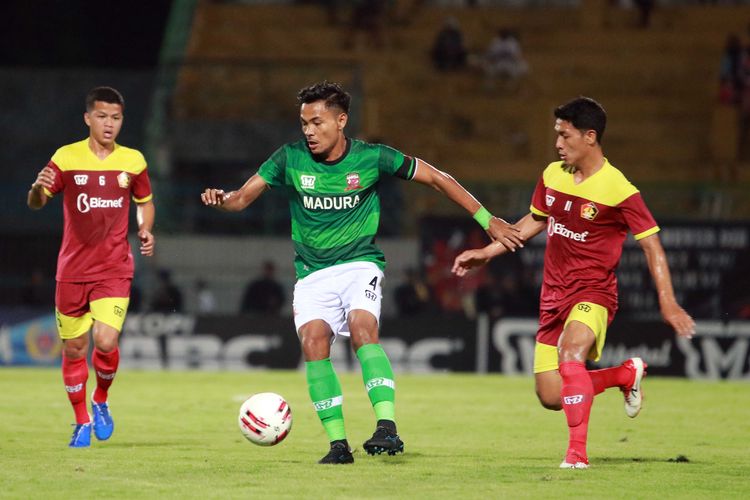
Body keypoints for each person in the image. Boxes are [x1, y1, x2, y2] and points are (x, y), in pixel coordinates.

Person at [201, 81, 522, 464]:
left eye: (317, 122)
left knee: (362, 327)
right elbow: (240, 199)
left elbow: (438, 177)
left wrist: (487, 220)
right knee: (314, 343)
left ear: (341, 121)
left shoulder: (373, 157)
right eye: (304, 123)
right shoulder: (288, 158)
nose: (308, 131)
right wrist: (222, 200)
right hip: (312, 273)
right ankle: (338, 445)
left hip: (359, 263)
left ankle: (387, 427)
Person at [452, 96, 695, 469]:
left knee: (571, 352)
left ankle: (576, 456)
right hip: (553, 294)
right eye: (557, 135)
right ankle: (624, 374)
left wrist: (668, 301)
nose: (558, 143)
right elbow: (534, 221)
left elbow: (652, 247)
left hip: (594, 292)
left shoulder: (619, 189)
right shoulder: (552, 175)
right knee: (551, 395)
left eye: (565, 136)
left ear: (590, 137)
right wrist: (486, 253)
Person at [27, 86, 155, 448]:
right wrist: (38, 187)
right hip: (71, 270)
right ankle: (81, 420)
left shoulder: (133, 161)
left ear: (122, 120)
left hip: (114, 267)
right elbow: (37, 201)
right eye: (102, 116)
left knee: (106, 339)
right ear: (88, 118)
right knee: (73, 349)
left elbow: (145, 201)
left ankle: (101, 399)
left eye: (115, 117)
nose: (109, 124)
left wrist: (145, 228)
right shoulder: (66, 158)